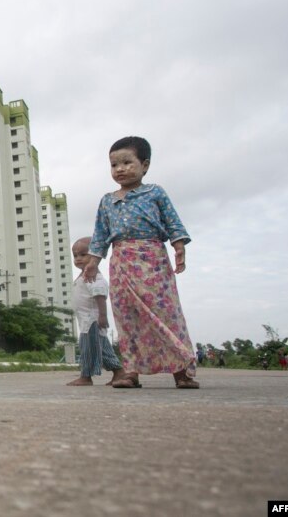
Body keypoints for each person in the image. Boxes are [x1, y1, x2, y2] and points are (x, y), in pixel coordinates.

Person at [83, 136, 199, 389]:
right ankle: (131, 371)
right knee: (127, 317)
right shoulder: (106, 200)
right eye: (114, 165)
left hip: (153, 259)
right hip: (121, 262)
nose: (120, 169)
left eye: (127, 162)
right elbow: (100, 234)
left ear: (145, 165)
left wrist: (179, 246)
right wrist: (93, 262)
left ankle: (182, 371)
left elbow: (173, 222)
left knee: (167, 313)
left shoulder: (155, 192)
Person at [66, 237, 128, 387]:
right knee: (102, 348)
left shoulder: (94, 277)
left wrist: (102, 316)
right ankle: (119, 371)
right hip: (87, 321)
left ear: (95, 257)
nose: (78, 258)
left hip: (92, 320)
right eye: (75, 255)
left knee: (88, 348)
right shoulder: (84, 275)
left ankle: (86, 376)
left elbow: (100, 295)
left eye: (83, 254)